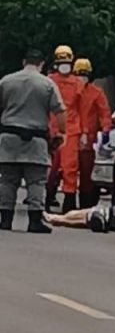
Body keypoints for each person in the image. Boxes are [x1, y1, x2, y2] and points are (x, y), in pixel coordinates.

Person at [0, 50, 67, 233]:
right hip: (36, 140)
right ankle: (35, 221)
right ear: (42, 64)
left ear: (24, 62)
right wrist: (61, 133)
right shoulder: (47, 84)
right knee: (36, 181)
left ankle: (5, 220)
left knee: (7, 181)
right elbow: (60, 111)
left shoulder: (6, 81)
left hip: (9, 138)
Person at [46, 45, 86, 213]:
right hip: (51, 128)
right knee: (50, 167)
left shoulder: (78, 83)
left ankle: (69, 201)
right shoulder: (49, 80)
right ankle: (46, 198)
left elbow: (83, 109)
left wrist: (84, 132)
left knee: (70, 167)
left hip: (71, 130)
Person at [75, 58, 112, 209]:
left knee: (86, 175)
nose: (81, 77)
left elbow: (104, 114)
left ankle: (85, 205)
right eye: (79, 74)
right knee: (61, 173)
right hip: (70, 138)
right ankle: (53, 198)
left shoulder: (96, 93)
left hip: (87, 142)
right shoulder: (70, 91)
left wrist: (106, 131)